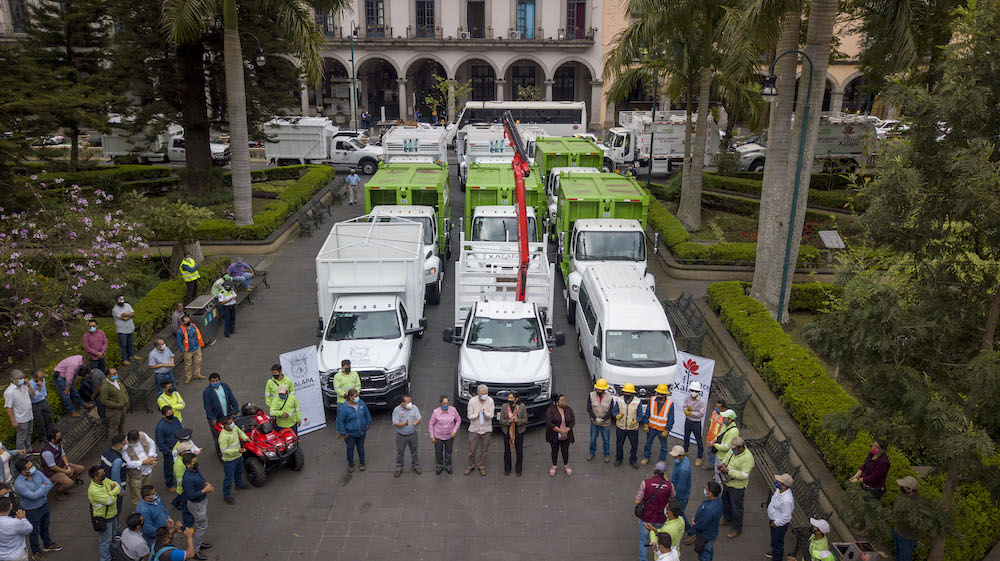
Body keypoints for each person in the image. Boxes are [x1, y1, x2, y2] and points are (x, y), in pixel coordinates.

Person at [635, 461, 676, 561]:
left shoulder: (646, 483)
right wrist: (667, 480)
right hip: (661, 518)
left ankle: (643, 559)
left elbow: (637, 500)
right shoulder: (669, 485)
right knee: (659, 540)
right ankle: (659, 556)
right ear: (664, 473)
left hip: (647, 517)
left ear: (654, 470)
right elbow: (674, 495)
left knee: (643, 540)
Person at [718, 436, 754, 539]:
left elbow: (744, 475)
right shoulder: (733, 451)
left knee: (736, 508)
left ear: (740, 448)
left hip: (737, 487)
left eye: (734, 449)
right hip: (727, 483)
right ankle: (727, 518)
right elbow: (726, 457)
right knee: (725, 501)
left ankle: (737, 529)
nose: (732, 450)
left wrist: (729, 472)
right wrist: (723, 464)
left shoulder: (748, 458)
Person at [180, 453, 212, 560]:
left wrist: (205, 483)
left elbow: (200, 476)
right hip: (197, 504)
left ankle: (199, 542)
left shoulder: (194, 470)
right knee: (201, 526)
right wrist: (205, 490)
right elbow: (191, 495)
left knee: (199, 525)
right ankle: (196, 550)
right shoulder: (187, 479)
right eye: (194, 462)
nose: (196, 463)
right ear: (188, 465)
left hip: (202, 501)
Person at [88, 465, 121, 561]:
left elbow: (117, 485)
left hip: (113, 514)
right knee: (105, 541)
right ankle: (105, 558)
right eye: (102, 474)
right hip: (104, 518)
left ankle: (113, 552)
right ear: (96, 477)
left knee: (113, 536)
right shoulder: (94, 490)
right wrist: (113, 493)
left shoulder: (104, 480)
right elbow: (109, 501)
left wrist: (111, 493)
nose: (105, 475)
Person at [684, 481, 723, 561]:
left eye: (706, 489)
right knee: (709, 549)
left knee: (704, 555)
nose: (704, 489)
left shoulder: (709, 510)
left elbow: (702, 525)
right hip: (712, 532)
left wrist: (694, 524)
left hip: (705, 535)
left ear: (710, 493)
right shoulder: (718, 501)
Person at [201, 373, 239, 457]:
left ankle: (232, 451)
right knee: (218, 437)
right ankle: (220, 453)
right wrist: (212, 418)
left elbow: (231, 398)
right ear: (210, 382)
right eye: (213, 381)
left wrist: (235, 408)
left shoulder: (225, 387)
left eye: (216, 381)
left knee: (231, 433)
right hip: (216, 418)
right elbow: (207, 407)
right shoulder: (207, 392)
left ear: (219, 380)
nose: (215, 382)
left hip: (227, 416)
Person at [38, 431, 83, 500]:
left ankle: (65, 487)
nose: (61, 438)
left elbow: (63, 455)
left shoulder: (58, 444)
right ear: (52, 439)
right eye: (58, 437)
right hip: (52, 472)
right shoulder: (47, 452)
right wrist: (66, 472)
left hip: (62, 466)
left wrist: (68, 467)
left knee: (80, 469)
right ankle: (59, 492)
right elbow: (53, 467)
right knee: (69, 482)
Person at [613, 383, 648, 469]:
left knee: (634, 445)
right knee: (619, 444)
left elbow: (640, 415)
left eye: (629, 393)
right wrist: (616, 415)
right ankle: (619, 459)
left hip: (632, 429)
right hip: (621, 427)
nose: (627, 394)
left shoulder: (637, 402)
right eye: (625, 392)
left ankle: (633, 459)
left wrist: (636, 420)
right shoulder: (619, 400)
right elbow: (614, 411)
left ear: (632, 393)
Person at [335, 389, 371, 473]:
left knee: (361, 448)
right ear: (350, 397)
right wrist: (344, 433)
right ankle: (350, 463)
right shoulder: (343, 409)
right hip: (350, 434)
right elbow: (340, 422)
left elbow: (367, 413)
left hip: (361, 432)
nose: (357, 398)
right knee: (350, 449)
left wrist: (368, 423)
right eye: (356, 396)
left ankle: (362, 462)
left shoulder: (361, 403)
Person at [217, 415, 249, 505]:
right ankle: (227, 496)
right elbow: (224, 450)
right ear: (225, 426)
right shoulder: (223, 437)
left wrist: (246, 438)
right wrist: (237, 450)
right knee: (229, 478)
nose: (233, 424)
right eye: (230, 423)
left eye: (232, 422)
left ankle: (239, 484)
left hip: (238, 456)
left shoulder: (234, 427)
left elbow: (240, 432)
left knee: (239, 472)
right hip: (230, 460)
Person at [124, 430, 158, 514]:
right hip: (135, 476)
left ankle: (149, 511)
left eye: (136, 442)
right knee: (137, 497)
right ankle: (139, 515)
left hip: (147, 471)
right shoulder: (124, 446)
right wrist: (143, 462)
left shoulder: (143, 435)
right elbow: (127, 463)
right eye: (133, 443)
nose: (135, 444)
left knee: (147, 493)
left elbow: (152, 444)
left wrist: (151, 456)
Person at [465, 384, 494, 476]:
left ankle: (482, 466)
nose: (485, 395)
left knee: (484, 450)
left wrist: (485, 413)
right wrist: (477, 415)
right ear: (478, 393)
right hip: (474, 428)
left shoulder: (490, 401)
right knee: (471, 450)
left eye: (486, 393)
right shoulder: (472, 401)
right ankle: (470, 465)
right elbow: (469, 416)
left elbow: (491, 415)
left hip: (486, 428)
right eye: (483, 393)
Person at [642, 384, 675, 466]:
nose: (659, 396)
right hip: (652, 427)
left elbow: (671, 419)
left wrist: (667, 430)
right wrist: (645, 424)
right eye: (658, 393)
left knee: (663, 446)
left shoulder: (670, 404)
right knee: (648, 443)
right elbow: (647, 413)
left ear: (665, 394)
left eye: (661, 394)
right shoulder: (652, 400)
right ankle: (646, 457)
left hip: (662, 429)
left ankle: (662, 460)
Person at [428, 396, 460, 475]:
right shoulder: (436, 412)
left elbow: (458, 420)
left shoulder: (453, 410)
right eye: (444, 403)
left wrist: (454, 431)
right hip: (438, 436)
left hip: (450, 436)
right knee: (438, 452)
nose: (446, 405)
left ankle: (448, 466)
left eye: (447, 403)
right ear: (441, 404)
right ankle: (439, 466)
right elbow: (431, 424)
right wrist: (432, 436)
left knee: (448, 452)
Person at [892, 476, 922, 561]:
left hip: (907, 537)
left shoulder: (918, 503)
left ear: (911, 489)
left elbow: (915, 521)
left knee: (904, 557)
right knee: (897, 553)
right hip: (897, 530)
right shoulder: (903, 494)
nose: (902, 487)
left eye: (904, 486)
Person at [545, 393, 575, 476]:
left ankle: (566, 465)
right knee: (554, 450)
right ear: (557, 402)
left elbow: (572, 421)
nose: (564, 402)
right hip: (554, 435)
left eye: (564, 400)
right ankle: (554, 466)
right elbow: (549, 423)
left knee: (565, 451)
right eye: (562, 401)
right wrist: (560, 431)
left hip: (566, 435)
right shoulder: (550, 410)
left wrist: (567, 429)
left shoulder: (568, 409)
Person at [391, 395, 421, 477]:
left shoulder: (414, 408)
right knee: (400, 452)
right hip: (401, 436)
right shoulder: (397, 410)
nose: (410, 404)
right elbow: (396, 423)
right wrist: (404, 424)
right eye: (408, 402)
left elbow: (419, 418)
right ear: (402, 403)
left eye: (410, 401)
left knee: (414, 451)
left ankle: (416, 466)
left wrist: (417, 422)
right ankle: (399, 468)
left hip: (413, 434)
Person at [766, 474, 795, 560]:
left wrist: (776, 523)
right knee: (775, 540)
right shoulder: (779, 490)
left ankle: (777, 558)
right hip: (774, 519)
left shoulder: (787, 500)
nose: (776, 482)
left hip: (778, 524)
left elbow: (786, 516)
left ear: (784, 485)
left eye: (779, 482)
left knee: (777, 542)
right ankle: (774, 553)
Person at [155, 406, 183, 492]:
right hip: (170, 451)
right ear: (164, 415)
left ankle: (182, 482)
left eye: (172, 413)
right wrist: (168, 452)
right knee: (169, 467)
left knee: (181, 465)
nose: (171, 415)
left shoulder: (176, 420)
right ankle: (170, 484)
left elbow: (181, 431)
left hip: (179, 448)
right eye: (169, 414)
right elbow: (160, 442)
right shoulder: (160, 427)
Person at [4, 371, 34, 453]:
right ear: (13, 380)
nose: (22, 380)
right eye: (19, 379)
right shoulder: (10, 392)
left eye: (23, 378)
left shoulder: (24, 387)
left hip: (29, 416)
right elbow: (8, 407)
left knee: (29, 433)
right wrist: (13, 421)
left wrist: (29, 385)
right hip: (21, 419)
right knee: (21, 438)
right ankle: (22, 454)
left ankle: (29, 449)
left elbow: (32, 394)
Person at [499, 391, 527, 477]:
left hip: (519, 431)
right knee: (507, 451)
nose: (509, 399)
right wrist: (508, 421)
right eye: (509, 398)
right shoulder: (504, 407)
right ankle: (507, 469)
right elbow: (501, 421)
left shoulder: (522, 407)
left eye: (511, 398)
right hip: (507, 432)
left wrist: (517, 421)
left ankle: (519, 469)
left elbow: (525, 420)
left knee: (519, 451)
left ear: (516, 399)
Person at [586, 378, 614, 463]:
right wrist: (595, 418)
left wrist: (602, 419)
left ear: (604, 389)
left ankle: (606, 454)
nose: (598, 390)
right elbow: (589, 408)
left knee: (606, 440)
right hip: (594, 422)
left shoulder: (609, 398)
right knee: (593, 439)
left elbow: (611, 410)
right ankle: (592, 452)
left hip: (605, 423)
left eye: (600, 389)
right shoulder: (591, 395)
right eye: (597, 388)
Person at [100, 434, 128, 518]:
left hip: (106, 484)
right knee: (116, 508)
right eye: (124, 443)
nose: (126, 445)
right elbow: (116, 478)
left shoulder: (106, 453)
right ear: (119, 445)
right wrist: (120, 491)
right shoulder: (117, 460)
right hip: (114, 488)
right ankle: (115, 526)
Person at [175, 316, 206, 385]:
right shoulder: (180, 331)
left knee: (198, 361)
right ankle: (188, 377)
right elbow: (179, 342)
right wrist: (183, 349)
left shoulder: (193, 326)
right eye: (186, 321)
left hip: (196, 347)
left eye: (188, 320)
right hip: (188, 350)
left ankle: (197, 374)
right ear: (183, 322)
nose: (188, 322)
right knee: (188, 364)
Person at [0, 496, 32, 561]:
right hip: (16, 556)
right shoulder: (15, 523)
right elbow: (29, 529)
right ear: (11, 506)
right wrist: (23, 519)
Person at [682, 381, 706, 466]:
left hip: (696, 423)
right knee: (686, 437)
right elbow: (684, 406)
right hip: (688, 421)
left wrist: (692, 413)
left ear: (699, 392)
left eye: (696, 391)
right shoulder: (687, 398)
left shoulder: (702, 401)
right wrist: (686, 410)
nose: (694, 393)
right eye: (692, 390)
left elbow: (701, 413)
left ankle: (699, 457)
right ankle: (685, 452)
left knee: (699, 440)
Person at [102, 368, 130, 438]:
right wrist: (116, 405)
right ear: (108, 375)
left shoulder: (117, 380)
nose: (116, 375)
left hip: (123, 408)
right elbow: (104, 400)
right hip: (114, 411)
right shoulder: (105, 387)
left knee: (121, 426)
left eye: (116, 373)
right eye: (114, 374)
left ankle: (122, 439)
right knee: (113, 428)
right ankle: (112, 444)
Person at [711, 409, 739, 479]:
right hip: (719, 453)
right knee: (717, 471)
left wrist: (714, 445)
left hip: (723, 457)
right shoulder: (725, 425)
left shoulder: (733, 431)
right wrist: (714, 440)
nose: (723, 419)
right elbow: (720, 434)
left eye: (725, 418)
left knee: (721, 476)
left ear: (730, 419)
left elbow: (726, 447)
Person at [28, 371, 53, 447]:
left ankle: (51, 434)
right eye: (40, 378)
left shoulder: (42, 380)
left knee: (48, 419)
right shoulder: (30, 385)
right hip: (35, 404)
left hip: (43, 401)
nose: (42, 379)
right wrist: (39, 387)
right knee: (40, 422)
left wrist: (45, 397)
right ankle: (43, 438)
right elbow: (34, 396)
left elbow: (44, 388)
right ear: (34, 378)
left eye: (43, 377)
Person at [112, 295, 139, 365]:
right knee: (123, 345)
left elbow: (133, 314)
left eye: (122, 299)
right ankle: (124, 359)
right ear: (116, 301)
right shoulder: (115, 309)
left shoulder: (127, 305)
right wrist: (130, 315)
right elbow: (124, 318)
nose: (122, 301)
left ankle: (132, 355)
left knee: (131, 343)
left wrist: (127, 315)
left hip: (130, 328)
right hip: (122, 330)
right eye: (119, 300)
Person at [703, 399, 727, 471]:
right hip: (710, 438)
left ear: (723, 408)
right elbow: (710, 423)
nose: (716, 408)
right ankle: (711, 465)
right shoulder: (714, 412)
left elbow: (723, 431)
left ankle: (716, 469)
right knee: (710, 452)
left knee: (717, 455)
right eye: (716, 406)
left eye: (718, 407)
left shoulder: (725, 418)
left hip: (717, 440)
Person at [669, 445, 692, 512]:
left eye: (675, 456)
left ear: (681, 456)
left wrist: (673, 497)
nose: (674, 458)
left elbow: (680, 487)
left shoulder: (683, 470)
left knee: (678, 513)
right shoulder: (684, 459)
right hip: (678, 492)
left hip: (680, 497)